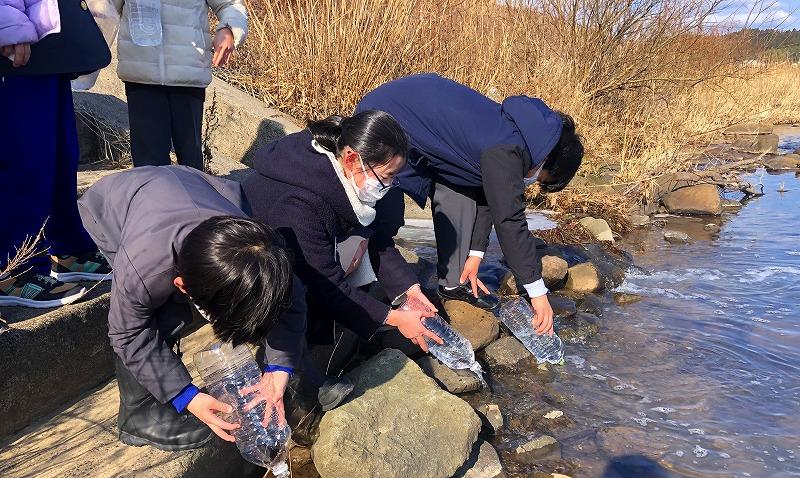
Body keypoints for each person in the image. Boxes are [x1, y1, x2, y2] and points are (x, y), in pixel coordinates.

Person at [78, 165, 307, 451]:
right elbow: (127, 332)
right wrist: (186, 395)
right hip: (114, 203)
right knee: (164, 316)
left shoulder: (262, 253)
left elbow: (289, 299)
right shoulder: (141, 269)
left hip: (192, 186)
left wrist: (279, 367)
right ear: (182, 285)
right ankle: (138, 415)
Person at [356, 74, 585, 336]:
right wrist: (538, 293)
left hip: (418, 122)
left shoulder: (517, 135)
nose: (532, 181)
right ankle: (361, 286)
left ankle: (453, 284)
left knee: (461, 191)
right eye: (541, 179)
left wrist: (476, 255)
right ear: (547, 159)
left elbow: (488, 193)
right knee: (384, 217)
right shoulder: (507, 148)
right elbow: (510, 221)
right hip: (386, 118)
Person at [241, 110, 442, 368]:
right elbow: (324, 282)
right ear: (351, 159)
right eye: (386, 176)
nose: (390, 185)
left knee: (361, 245)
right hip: (258, 272)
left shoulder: (344, 172)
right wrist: (393, 318)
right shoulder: (300, 204)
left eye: (395, 176)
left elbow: (378, 240)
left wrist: (409, 289)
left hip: (305, 257)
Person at [1, 0, 113, 308]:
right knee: (25, 158)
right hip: (14, 44)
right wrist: (8, 26)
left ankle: (68, 249)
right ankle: (13, 269)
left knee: (60, 155)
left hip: (47, 41)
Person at [113, 0, 247, 169]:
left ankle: (194, 186)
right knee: (149, 165)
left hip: (189, 72)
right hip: (141, 71)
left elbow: (230, 4)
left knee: (190, 161)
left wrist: (228, 29)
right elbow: (105, 8)